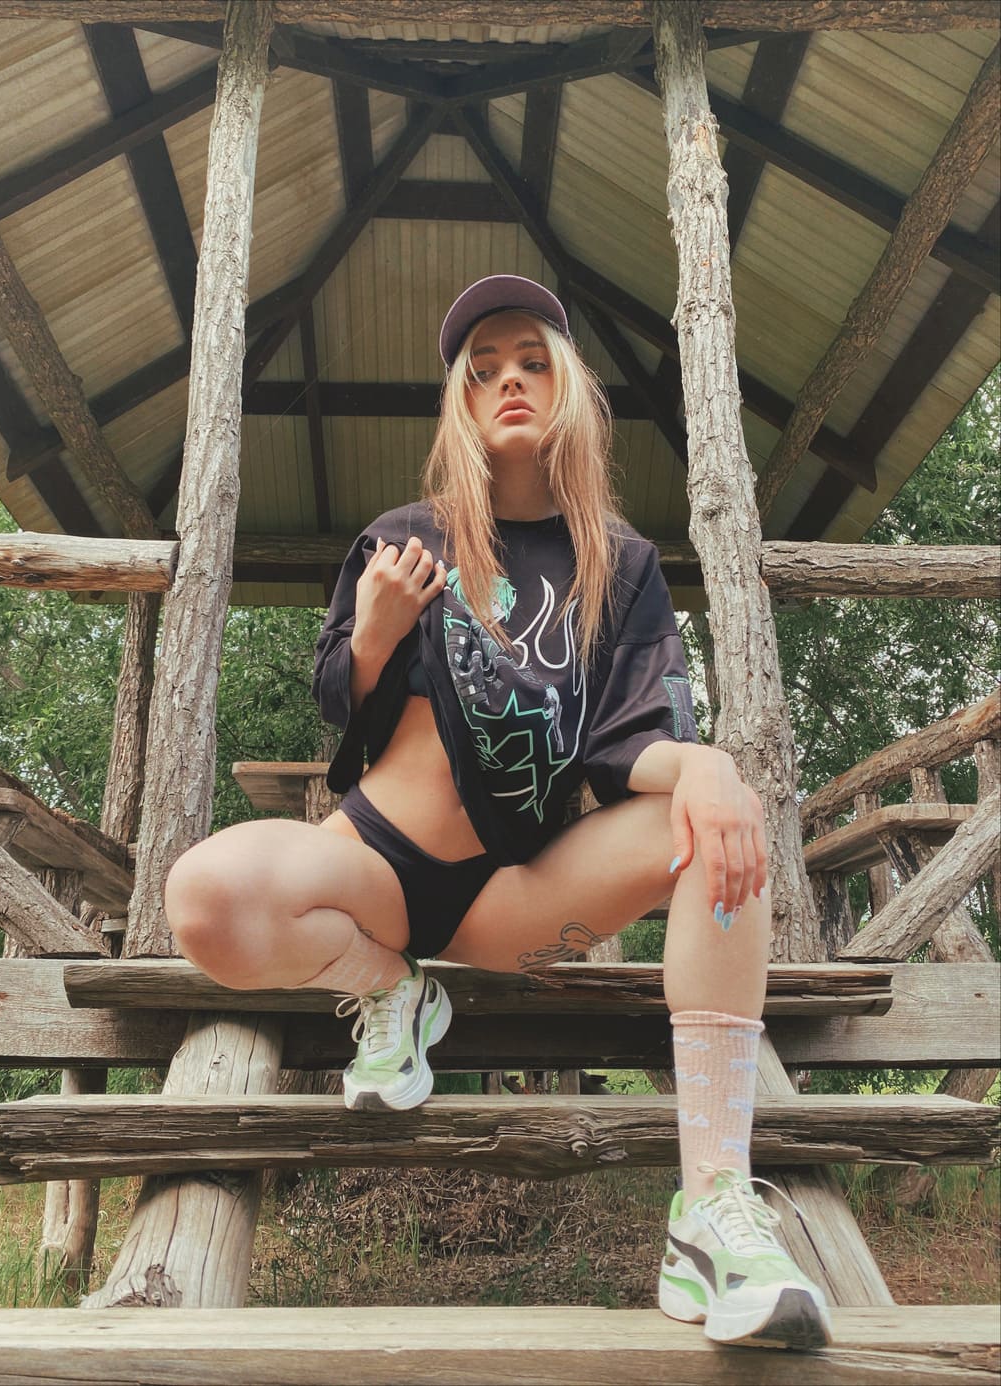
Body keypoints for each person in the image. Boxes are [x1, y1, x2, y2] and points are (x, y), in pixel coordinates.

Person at [164, 275, 832, 1350]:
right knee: (202, 897)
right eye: (482, 372)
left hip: (515, 890)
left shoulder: (619, 563)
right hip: (376, 867)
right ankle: (390, 990)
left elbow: (628, 743)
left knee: (717, 815)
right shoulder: (404, 535)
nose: (508, 382)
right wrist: (376, 629)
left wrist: (709, 765)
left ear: (566, 385)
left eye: (529, 362)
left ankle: (711, 1209)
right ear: (460, 406)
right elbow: (340, 699)